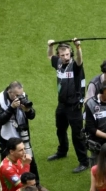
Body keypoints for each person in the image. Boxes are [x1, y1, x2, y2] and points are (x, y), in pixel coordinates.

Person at [0, 82, 49, 191]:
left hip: (21, 135)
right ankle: (10, 189)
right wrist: (11, 107)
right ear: (10, 92)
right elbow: (0, 120)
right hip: (6, 138)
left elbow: (32, 116)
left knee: (30, 159)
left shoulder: (22, 95)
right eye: (17, 95)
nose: (21, 96)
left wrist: (28, 110)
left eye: (21, 94)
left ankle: (36, 184)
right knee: (8, 163)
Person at [46, 38, 89, 173]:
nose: (65, 57)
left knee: (77, 135)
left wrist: (78, 47)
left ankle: (84, 162)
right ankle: (62, 151)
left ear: (70, 53)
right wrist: (50, 46)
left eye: (67, 54)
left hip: (74, 106)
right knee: (60, 130)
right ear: (59, 56)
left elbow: (80, 60)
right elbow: (49, 55)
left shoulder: (75, 65)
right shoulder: (58, 63)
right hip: (62, 104)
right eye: (62, 55)